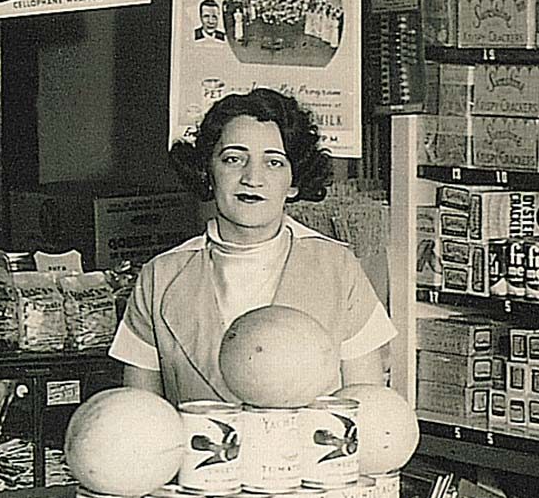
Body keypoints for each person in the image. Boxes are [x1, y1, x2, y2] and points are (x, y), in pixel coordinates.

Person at [110, 87, 394, 405]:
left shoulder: (338, 267)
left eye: (273, 162)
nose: (252, 178)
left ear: (294, 181)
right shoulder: (159, 277)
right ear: (207, 171)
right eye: (233, 159)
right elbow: (137, 416)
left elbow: (366, 408)